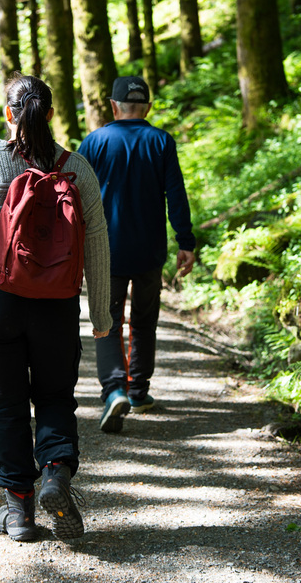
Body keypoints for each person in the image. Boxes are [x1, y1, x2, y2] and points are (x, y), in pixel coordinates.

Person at [0, 74, 112, 542]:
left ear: (8, 113)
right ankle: (55, 473)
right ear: (50, 114)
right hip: (56, 303)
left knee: (7, 403)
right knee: (56, 396)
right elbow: (96, 243)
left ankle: (18, 510)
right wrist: (101, 315)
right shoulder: (76, 168)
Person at [77, 75, 197, 434]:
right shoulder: (161, 141)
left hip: (105, 250)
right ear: (147, 106)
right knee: (144, 323)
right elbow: (176, 195)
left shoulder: (95, 142)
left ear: (113, 106)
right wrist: (185, 241)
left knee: (106, 322)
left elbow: (72, 194)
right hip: (149, 251)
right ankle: (139, 390)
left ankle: (114, 389)